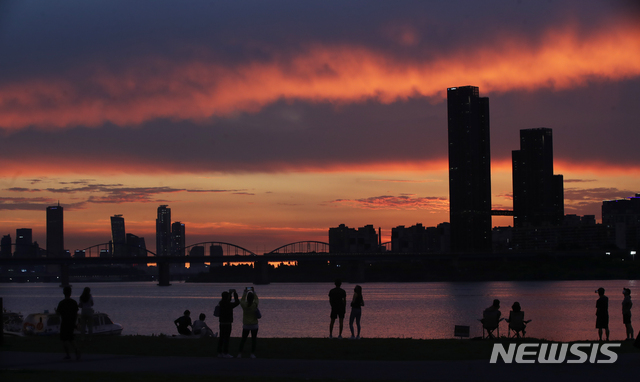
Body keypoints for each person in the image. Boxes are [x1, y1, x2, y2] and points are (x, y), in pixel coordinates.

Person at [56, 286, 80, 360]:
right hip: (72, 322)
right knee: (71, 338)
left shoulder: (62, 303)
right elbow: (76, 313)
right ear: (70, 293)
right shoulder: (74, 302)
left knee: (64, 339)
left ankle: (68, 354)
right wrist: (75, 323)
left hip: (64, 322)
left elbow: (58, 313)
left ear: (64, 293)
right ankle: (77, 352)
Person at [216, 290, 240, 358]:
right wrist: (235, 294)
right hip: (228, 323)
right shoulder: (229, 304)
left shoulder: (221, 303)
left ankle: (219, 352)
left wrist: (229, 294)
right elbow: (237, 302)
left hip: (222, 323)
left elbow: (227, 299)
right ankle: (225, 352)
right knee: (226, 338)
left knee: (221, 337)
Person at [237, 287, 260, 358]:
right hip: (254, 325)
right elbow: (257, 299)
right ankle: (252, 354)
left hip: (246, 324)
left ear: (247, 298)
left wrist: (245, 292)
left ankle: (240, 353)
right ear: (252, 298)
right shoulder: (255, 305)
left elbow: (242, 300)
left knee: (243, 339)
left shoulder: (244, 305)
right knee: (253, 340)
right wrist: (254, 292)